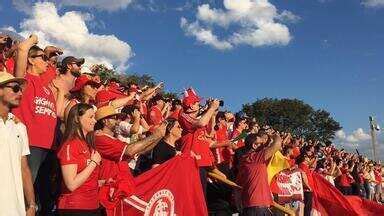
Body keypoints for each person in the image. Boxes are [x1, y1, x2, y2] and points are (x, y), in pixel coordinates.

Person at [13, 35, 66, 182]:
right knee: (25, 186)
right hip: (30, 143)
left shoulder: (46, 87)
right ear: (30, 60)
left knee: (42, 192)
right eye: (43, 57)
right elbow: (23, 49)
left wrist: (61, 92)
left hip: (49, 146)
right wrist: (33, 39)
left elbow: (58, 113)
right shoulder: (24, 80)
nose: (47, 62)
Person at [93, 105, 166, 180]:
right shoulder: (100, 138)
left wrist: (158, 137)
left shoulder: (112, 138)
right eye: (114, 118)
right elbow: (129, 151)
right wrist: (156, 135)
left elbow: (141, 151)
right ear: (105, 121)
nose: (118, 121)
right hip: (113, 183)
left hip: (122, 180)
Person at [0, 71, 36, 216]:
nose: (20, 93)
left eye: (21, 89)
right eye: (15, 88)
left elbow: (24, 168)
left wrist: (32, 205)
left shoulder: (19, 127)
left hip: (16, 208)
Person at [56, 103, 102, 215]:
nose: (95, 121)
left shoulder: (88, 144)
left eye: (94, 117)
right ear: (77, 119)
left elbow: (86, 178)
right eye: (90, 117)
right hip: (75, 207)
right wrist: (93, 163)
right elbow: (71, 184)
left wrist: (103, 182)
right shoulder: (70, 145)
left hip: (93, 205)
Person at [236, 131, 282, 216]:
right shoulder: (255, 158)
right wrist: (272, 135)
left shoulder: (244, 160)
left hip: (249, 206)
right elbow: (277, 143)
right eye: (261, 143)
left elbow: (238, 187)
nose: (264, 145)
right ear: (254, 145)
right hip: (258, 207)